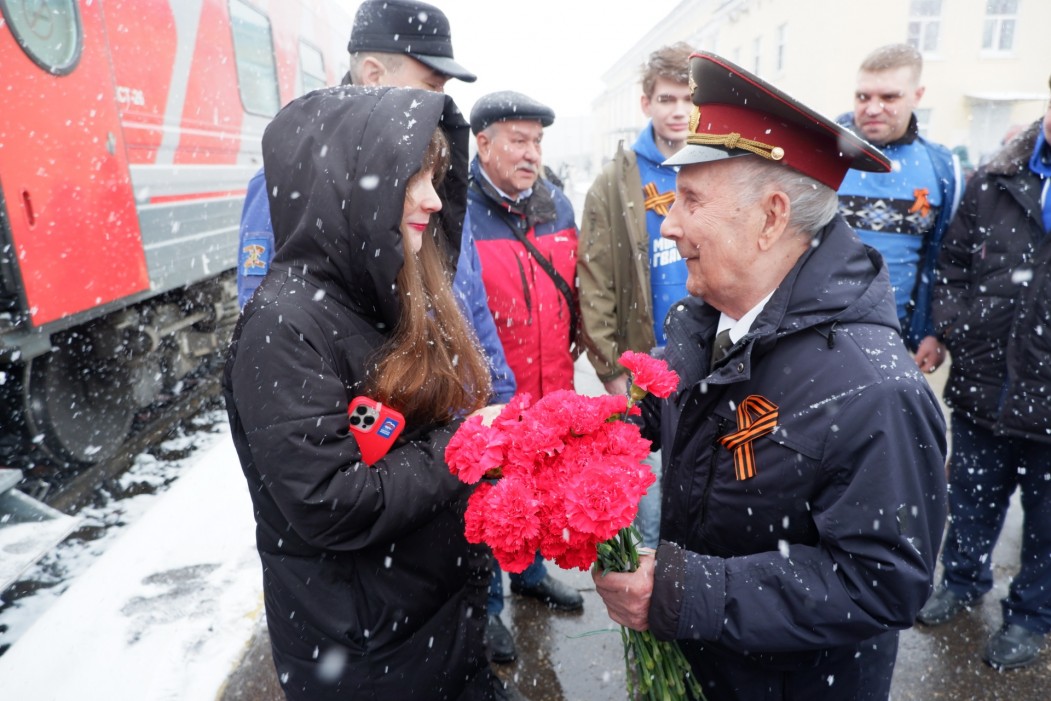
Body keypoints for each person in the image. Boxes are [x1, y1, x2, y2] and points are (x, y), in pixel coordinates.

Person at [591, 52, 948, 700]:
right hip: (709, 663)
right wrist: (571, 433)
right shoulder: (708, 316)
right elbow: (669, 409)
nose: (667, 224)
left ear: (770, 217)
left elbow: (881, 580)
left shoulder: (875, 389)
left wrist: (683, 591)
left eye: (690, 200)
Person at [224, 86, 501, 700]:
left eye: (436, 177)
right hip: (365, 652)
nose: (432, 199)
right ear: (350, 183)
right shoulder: (283, 328)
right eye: (414, 177)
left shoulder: (381, 287)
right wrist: (467, 446)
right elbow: (333, 499)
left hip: (426, 620)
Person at [236, 0, 515, 405]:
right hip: (389, 444)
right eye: (432, 86)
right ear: (373, 75)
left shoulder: (436, 181)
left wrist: (499, 397)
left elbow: (469, 300)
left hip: (460, 432)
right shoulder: (288, 181)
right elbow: (272, 339)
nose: (439, 104)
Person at [915, 74, 1051, 671]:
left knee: (1047, 525)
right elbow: (952, 263)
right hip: (984, 385)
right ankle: (964, 580)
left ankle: (1031, 615)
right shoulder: (996, 177)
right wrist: (955, 326)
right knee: (968, 498)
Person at [466, 90, 584, 663]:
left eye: (537, 141)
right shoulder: (457, 213)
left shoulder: (557, 205)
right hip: (490, 396)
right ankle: (486, 607)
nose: (531, 153)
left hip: (549, 390)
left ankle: (530, 576)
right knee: (490, 502)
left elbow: (577, 290)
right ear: (482, 143)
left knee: (534, 494)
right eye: (518, 140)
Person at [577, 41, 694, 549]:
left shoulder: (716, 165)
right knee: (647, 501)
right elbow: (596, 279)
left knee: (695, 488)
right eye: (667, 99)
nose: (679, 112)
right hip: (643, 363)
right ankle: (652, 601)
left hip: (706, 358)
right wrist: (611, 368)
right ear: (646, 103)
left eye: (688, 99)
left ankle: (691, 594)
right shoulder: (614, 181)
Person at [836, 43, 962, 375]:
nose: (873, 108)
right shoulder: (823, 151)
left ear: (917, 95)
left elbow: (947, 258)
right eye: (863, 97)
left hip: (897, 340)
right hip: (819, 333)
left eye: (889, 98)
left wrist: (935, 331)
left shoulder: (942, 167)